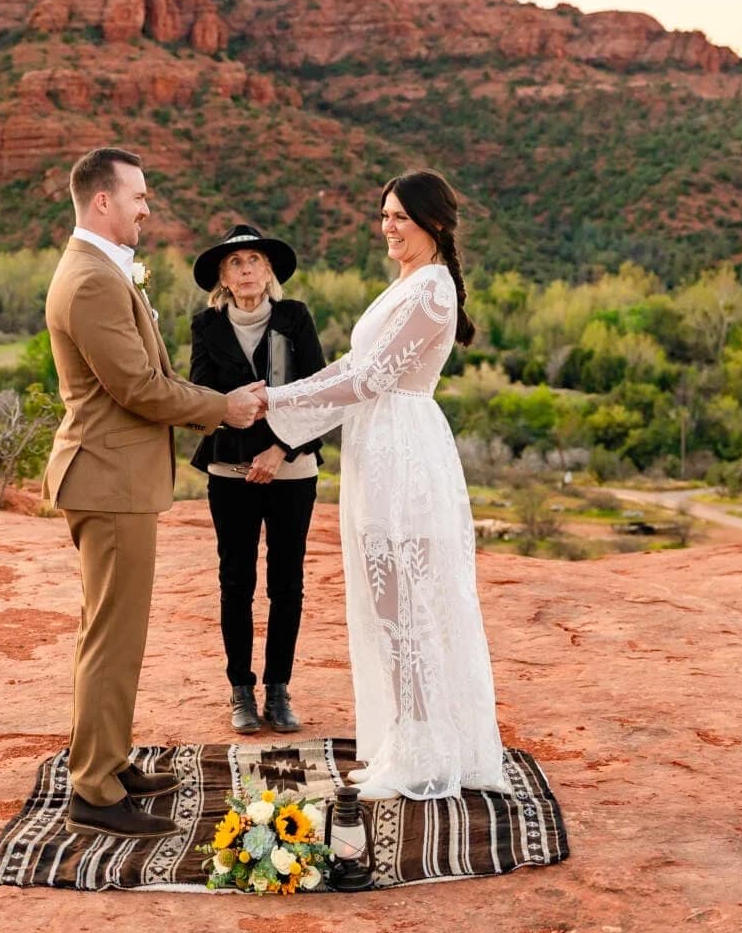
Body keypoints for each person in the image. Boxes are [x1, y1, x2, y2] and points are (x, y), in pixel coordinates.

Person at [262, 171, 508, 801]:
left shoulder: (432, 292)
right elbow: (352, 368)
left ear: (437, 224)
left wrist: (274, 402)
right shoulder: (409, 283)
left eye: (401, 217)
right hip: (379, 445)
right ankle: (410, 739)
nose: (390, 227)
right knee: (389, 603)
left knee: (408, 601)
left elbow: (369, 379)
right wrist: (284, 409)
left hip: (405, 450)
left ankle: (427, 750)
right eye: (385, 216)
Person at [43, 147, 266, 839]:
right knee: (112, 636)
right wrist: (221, 407)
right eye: (139, 196)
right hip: (108, 480)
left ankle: (106, 761)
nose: (147, 207)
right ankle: (94, 789)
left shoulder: (101, 273)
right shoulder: (90, 282)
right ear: (103, 201)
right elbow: (137, 386)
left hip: (114, 478)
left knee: (111, 631)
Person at [187, 224, 327, 736]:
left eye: (253, 261)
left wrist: (279, 447)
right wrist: (233, 414)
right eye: (235, 263)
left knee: (287, 583)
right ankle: (241, 692)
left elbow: (319, 392)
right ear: (222, 278)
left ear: (268, 270)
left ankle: (279, 689)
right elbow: (200, 396)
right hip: (230, 471)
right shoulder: (206, 325)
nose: (246, 270)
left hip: (291, 468)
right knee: (236, 581)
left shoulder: (295, 317)